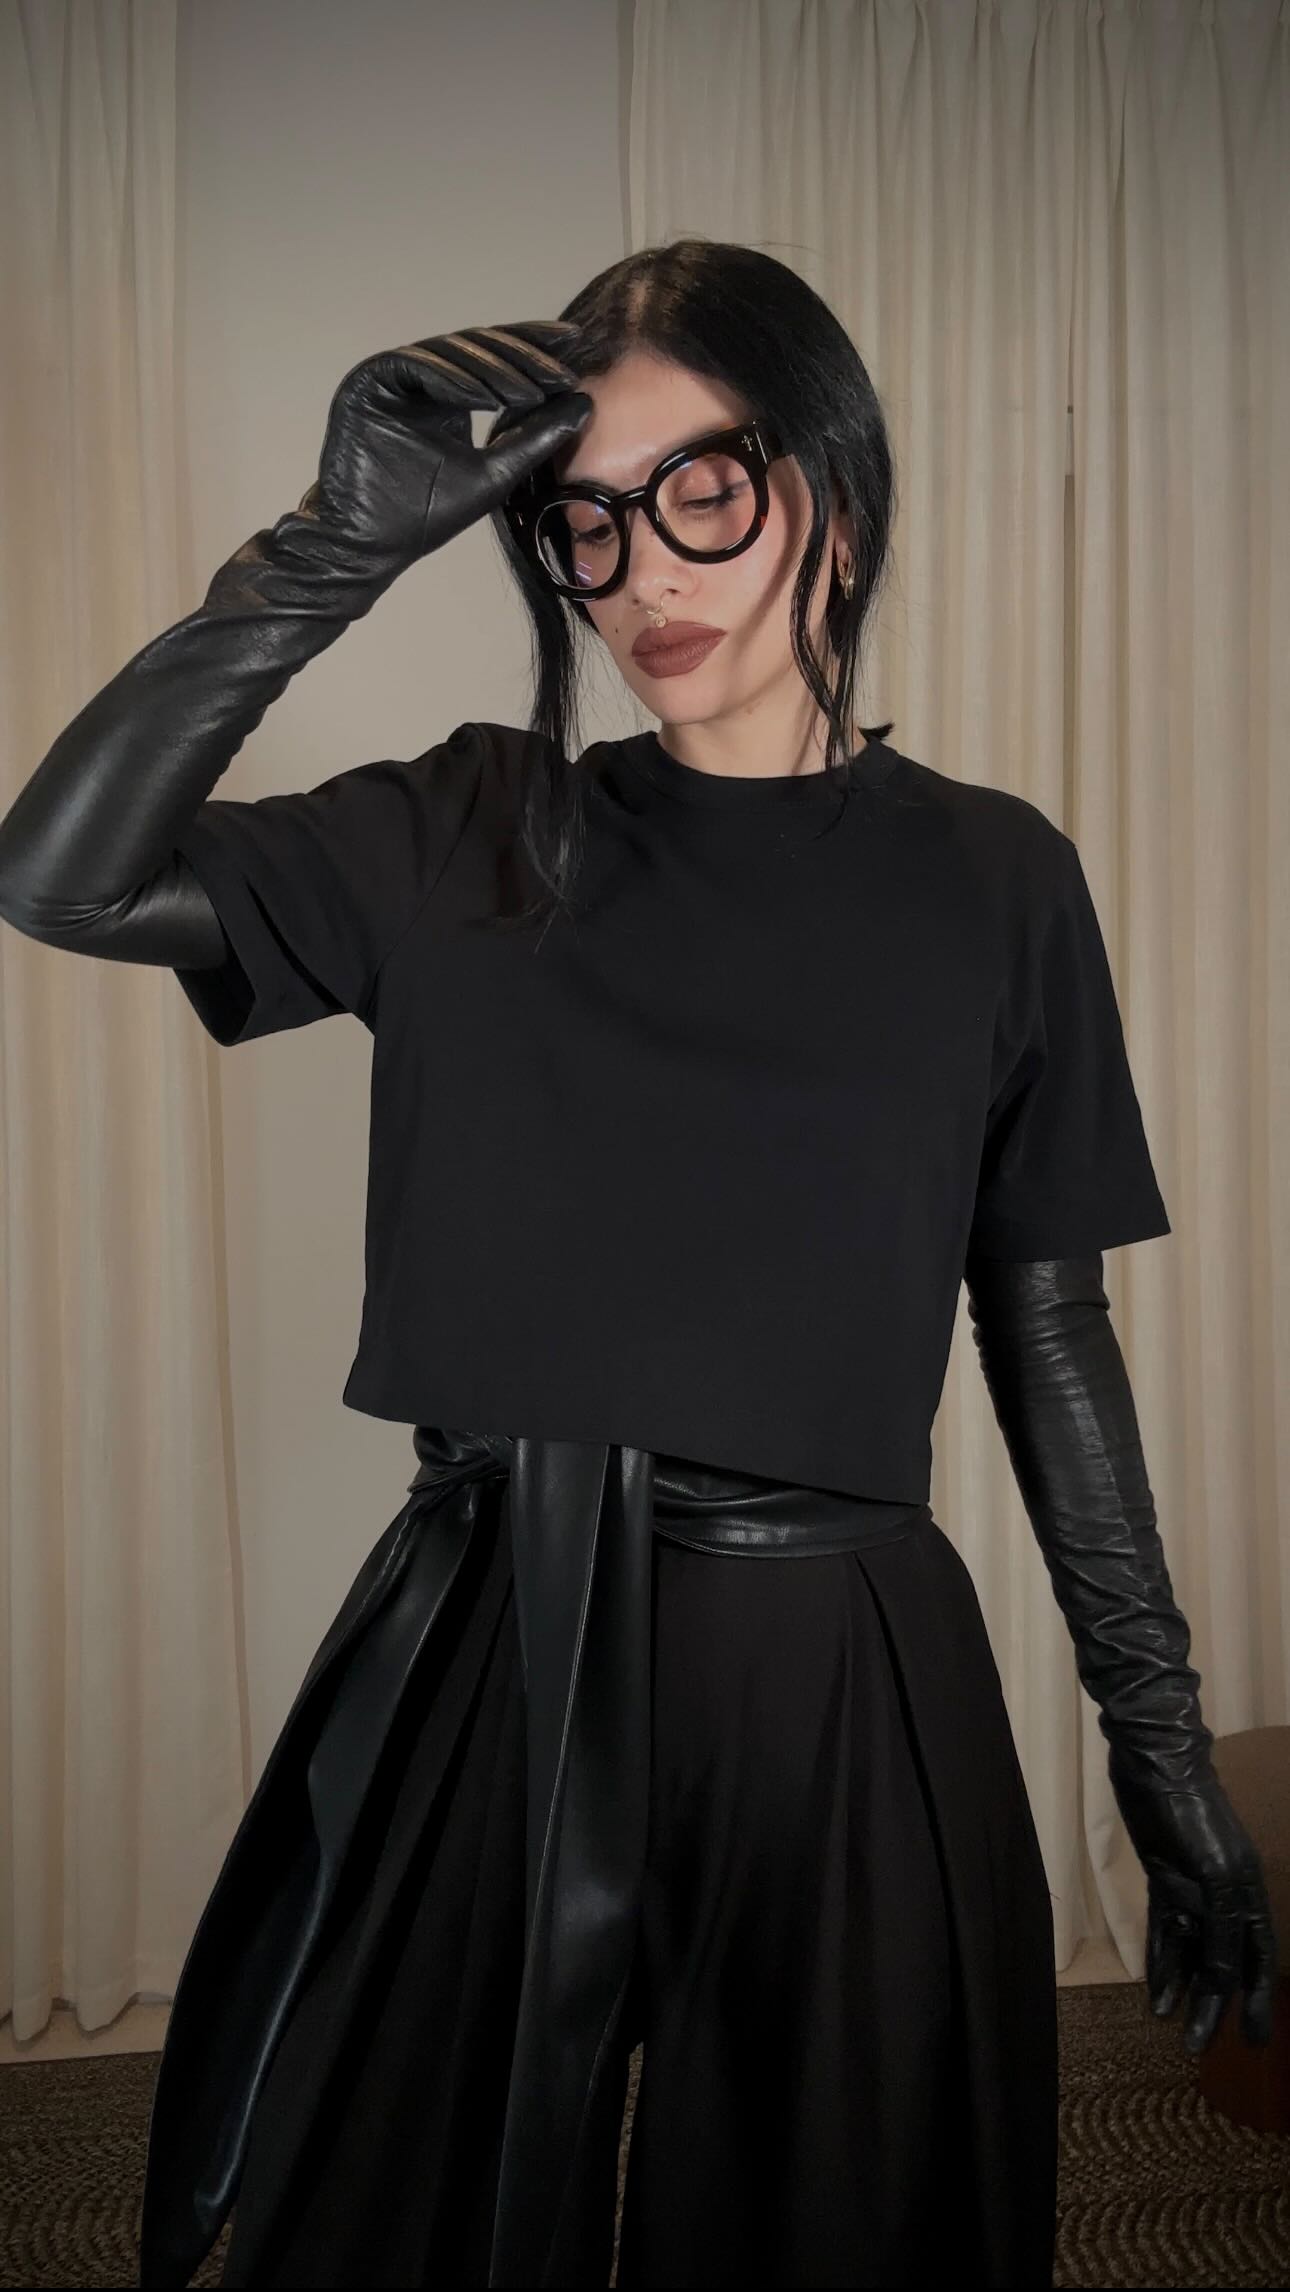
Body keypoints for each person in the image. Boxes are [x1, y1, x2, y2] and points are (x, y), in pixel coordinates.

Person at [0, 237, 1275, 2292]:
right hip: (486, 1647)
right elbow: (61, 877)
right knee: (381, 2224)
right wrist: (330, 548)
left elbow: (1048, 1329)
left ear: (831, 490)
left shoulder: (995, 875)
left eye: (702, 490)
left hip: (838, 1678)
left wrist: (1159, 1746)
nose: (641, 572)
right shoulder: (473, 825)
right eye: (586, 521)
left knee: (842, 2230)